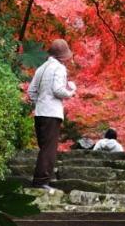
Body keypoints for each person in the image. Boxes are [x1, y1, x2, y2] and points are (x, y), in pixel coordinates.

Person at [26, 38, 78, 190]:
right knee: (49, 148)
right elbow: (58, 90)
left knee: (44, 147)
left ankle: (42, 178)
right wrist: (72, 91)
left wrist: (40, 101)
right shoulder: (59, 68)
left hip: (40, 112)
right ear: (62, 56)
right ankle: (41, 181)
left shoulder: (41, 68)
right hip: (52, 113)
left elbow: (31, 91)